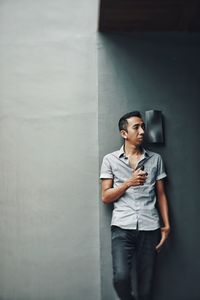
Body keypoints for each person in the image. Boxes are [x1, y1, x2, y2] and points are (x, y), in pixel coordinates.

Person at [100, 111, 170, 300]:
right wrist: (128, 183)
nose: (142, 131)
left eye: (143, 127)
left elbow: (161, 194)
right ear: (124, 133)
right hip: (122, 228)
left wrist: (167, 226)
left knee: (146, 289)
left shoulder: (155, 159)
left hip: (150, 227)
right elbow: (105, 196)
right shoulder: (110, 160)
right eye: (136, 127)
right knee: (121, 278)